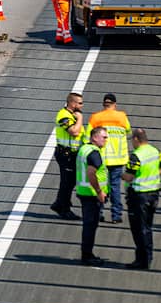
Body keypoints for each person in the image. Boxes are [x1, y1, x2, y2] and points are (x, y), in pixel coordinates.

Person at [122, 128, 161, 269]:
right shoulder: (154, 151)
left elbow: (129, 177)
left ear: (136, 139)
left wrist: (118, 175)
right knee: (147, 227)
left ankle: (142, 260)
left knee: (138, 228)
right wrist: (156, 174)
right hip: (154, 193)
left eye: (132, 140)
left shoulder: (136, 156)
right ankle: (147, 257)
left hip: (139, 195)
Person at [89, 93, 131, 223]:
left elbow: (88, 137)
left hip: (100, 159)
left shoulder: (96, 118)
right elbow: (128, 131)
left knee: (100, 186)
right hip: (118, 159)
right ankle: (116, 215)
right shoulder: (122, 117)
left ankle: (99, 213)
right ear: (114, 104)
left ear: (103, 104)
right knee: (115, 187)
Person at [77, 126, 110, 266]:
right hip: (91, 194)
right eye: (104, 137)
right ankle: (87, 255)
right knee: (90, 225)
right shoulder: (94, 154)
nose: (106, 140)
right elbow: (91, 173)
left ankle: (87, 253)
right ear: (95, 137)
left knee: (88, 225)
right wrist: (99, 192)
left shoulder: (84, 149)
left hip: (83, 192)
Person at [51, 92, 85, 220]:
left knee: (70, 181)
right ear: (72, 103)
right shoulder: (64, 116)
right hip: (65, 154)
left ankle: (60, 203)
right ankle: (63, 208)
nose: (82, 105)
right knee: (67, 182)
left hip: (73, 153)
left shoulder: (72, 115)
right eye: (80, 103)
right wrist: (80, 118)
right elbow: (74, 132)